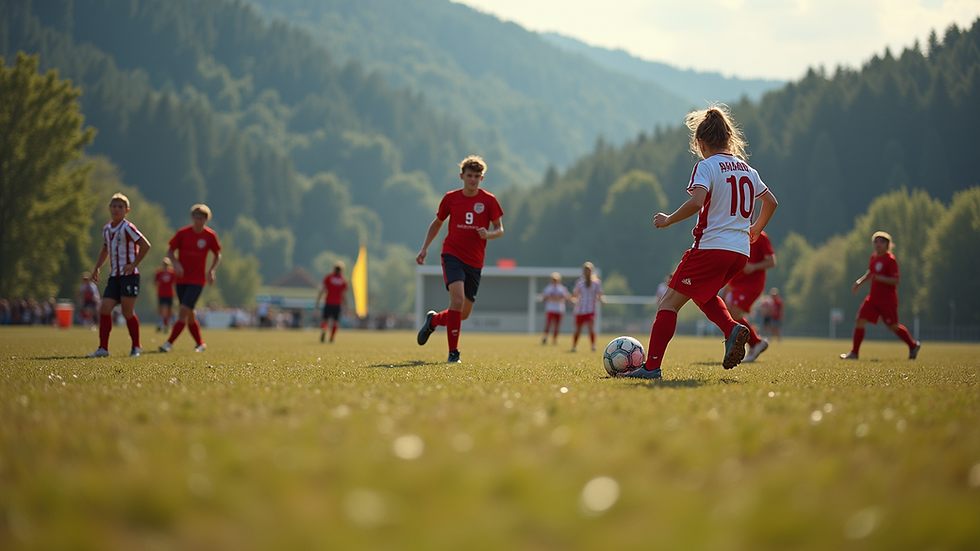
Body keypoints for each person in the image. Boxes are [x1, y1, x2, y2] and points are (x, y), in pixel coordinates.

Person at [623, 105, 778, 379]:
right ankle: (732, 329)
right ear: (729, 139)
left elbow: (697, 201)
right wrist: (754, 229)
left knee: (668, 303)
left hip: (711, 247)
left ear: (701, 142)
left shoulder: (706, 166)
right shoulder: (747, 170)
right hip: (740, 252)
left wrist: (668, 219)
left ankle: (651, 367)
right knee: (703, 294)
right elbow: (771, 202)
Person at [415, 155, 504, 363]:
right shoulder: (451, 198)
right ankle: (453, 353)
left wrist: (489, 234)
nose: (472, 179)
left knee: (462, 314)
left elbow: (500, 229)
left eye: (477, 176)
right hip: (452, 254)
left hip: (475, 261)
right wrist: (424, 248)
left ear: (482, 178)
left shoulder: (489, 200)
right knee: (457, 300)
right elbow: (437, 223)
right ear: (461, 176)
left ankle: (434, 320)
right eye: (469, 175)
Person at [86, 193, 151, 358]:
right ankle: (103, 348)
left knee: (127, 311)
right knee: (105, 308)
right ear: (109, 208)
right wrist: (97, 267)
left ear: (126, 210)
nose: (116, 209)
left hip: (129, 276)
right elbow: (105, 249)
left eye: (120, 207)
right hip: (114, 276)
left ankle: (136, 346)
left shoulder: (127, 227)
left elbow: (145, 245)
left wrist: (134, 264)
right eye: (114, 206)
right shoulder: (107, 229)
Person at [841, 231, 921, 360]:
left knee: (893, 326)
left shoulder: (890, 260)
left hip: (887, 301)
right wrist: (859, 282)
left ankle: (913, 345)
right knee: (859, 320)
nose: (878, 244)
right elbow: (871, 273)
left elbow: (896, 280)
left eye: (882, 242)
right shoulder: (873, 258)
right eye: (876, 241)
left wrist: (880, 278)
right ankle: (854, 353)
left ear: (887, 245)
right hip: (873, 299)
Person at [159, 204, 221, 353]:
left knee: (183, 310)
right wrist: (176, 264)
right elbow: (170, 251)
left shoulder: (210, 235)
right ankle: (200, 343)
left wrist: (212, 270)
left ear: (206, 219)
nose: (198, 221)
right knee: (190, 315)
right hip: (181, 279)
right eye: (196, 218)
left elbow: (217, 254)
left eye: (201, 218)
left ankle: (168, 343)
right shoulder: (182, 233)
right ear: (192, 218)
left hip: (197, 280)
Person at [723, 230, 776, 362]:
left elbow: (771, 261)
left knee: (735, 313)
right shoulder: (733, 234)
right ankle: (755, 343)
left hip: (752, 284)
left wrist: (753, 266)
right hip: (734, 283)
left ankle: (755, 342)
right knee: (728, 314)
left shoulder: (760, 236)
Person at [571, 262, 604, 352]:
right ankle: (574, 346)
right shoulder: (580, 282)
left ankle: (593, 345)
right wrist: (573, 300)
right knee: (578, 329)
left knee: (590, 327)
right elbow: (576, 294)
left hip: (590, 309)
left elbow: (600, 294)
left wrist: (601, 299)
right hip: (580, 309)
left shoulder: (596, 283)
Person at [316, 261, 348, 343]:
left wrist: (318, 301)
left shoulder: (329, 277)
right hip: (337, 304)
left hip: (328, 302)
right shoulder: (342, 280)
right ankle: (331, 337)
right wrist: (346, 306)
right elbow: (344, 295)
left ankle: (323, 330)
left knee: (325, 320)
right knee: (335, 321)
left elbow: (323, 290)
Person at [539, 272, 571, 345]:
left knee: (557, 325)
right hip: (550, 308)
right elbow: (544, 296)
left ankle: (555, 339)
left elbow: (567, 297)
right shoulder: (548, 288)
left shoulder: (562, 289)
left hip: (559, 309)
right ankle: (545, 336)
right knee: (548, 324)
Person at [154, 258, 176, 333]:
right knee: (162, 309)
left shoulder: (172, 273)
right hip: (161, 294)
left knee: (169, 311)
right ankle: (161, 324)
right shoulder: (159, 272)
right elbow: (155, 282)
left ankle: (167, 325)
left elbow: (175, 282)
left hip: (169, 294)